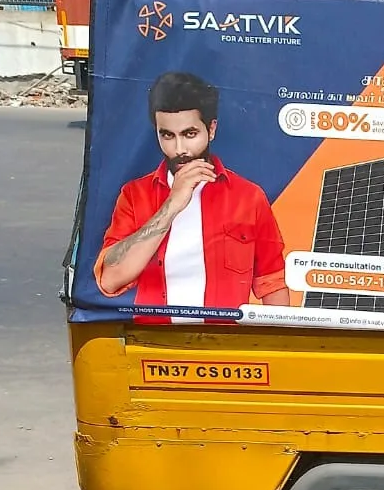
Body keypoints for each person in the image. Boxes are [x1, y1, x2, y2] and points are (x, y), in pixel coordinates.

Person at [95, 72, 289, 320]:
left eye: (189, 134)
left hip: (224, 346)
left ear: (211, 129)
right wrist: (172, 205)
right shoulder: (135, 195)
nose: (179, 150)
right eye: (167, 135)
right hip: (154, 345)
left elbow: (272, 284)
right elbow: (110, 279)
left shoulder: (248, 197)